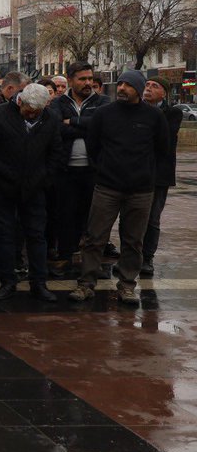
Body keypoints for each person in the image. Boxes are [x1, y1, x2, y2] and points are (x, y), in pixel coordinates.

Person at [70, 71, 170, 305]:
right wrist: (104, 169)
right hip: (107, 186)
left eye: (128, 85)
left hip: (141, 190)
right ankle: (86, 284)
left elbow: (162, 150)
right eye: (121, 84)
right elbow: (93, 146)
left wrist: (145, 173)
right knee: (95, 238)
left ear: (138, 88)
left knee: (133, 240)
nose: (122, 88)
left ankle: (126, 285)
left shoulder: (154, 116)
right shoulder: (104, 114)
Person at [0, 83, 63, 302]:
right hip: (2, 187)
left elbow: (55, 152)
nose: (32, 114)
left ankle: (39, 283)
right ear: (20, 101)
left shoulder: (50, 118)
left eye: (37, 111)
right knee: (4, 236)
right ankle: (7, 281)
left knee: (36, 235)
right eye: (29, 109)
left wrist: (45, 178)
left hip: (35, 187)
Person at [47, 61, 110, 277]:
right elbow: (55, 127)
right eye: (82, 79)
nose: (88, 83)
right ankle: (66, 258)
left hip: (94, 170)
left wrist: (72, 122)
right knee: (66, 216)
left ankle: (92, 263)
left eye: (90, 79)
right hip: (65, 171)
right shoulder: (57, 103)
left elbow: (101, 127)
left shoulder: (102, 102)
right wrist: (84, 126)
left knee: (93, 219)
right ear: (71, 79)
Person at [141, 78, 183, 277]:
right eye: (147, 85)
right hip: (135, 172)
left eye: (154, 86)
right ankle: (130, 257)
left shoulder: (172, 113)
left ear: (164, 93)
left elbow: (162, 139)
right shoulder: (134, 109)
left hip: (159, 175)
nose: (148, 89)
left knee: (152, 218)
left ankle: (147, 258)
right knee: (130, 217)